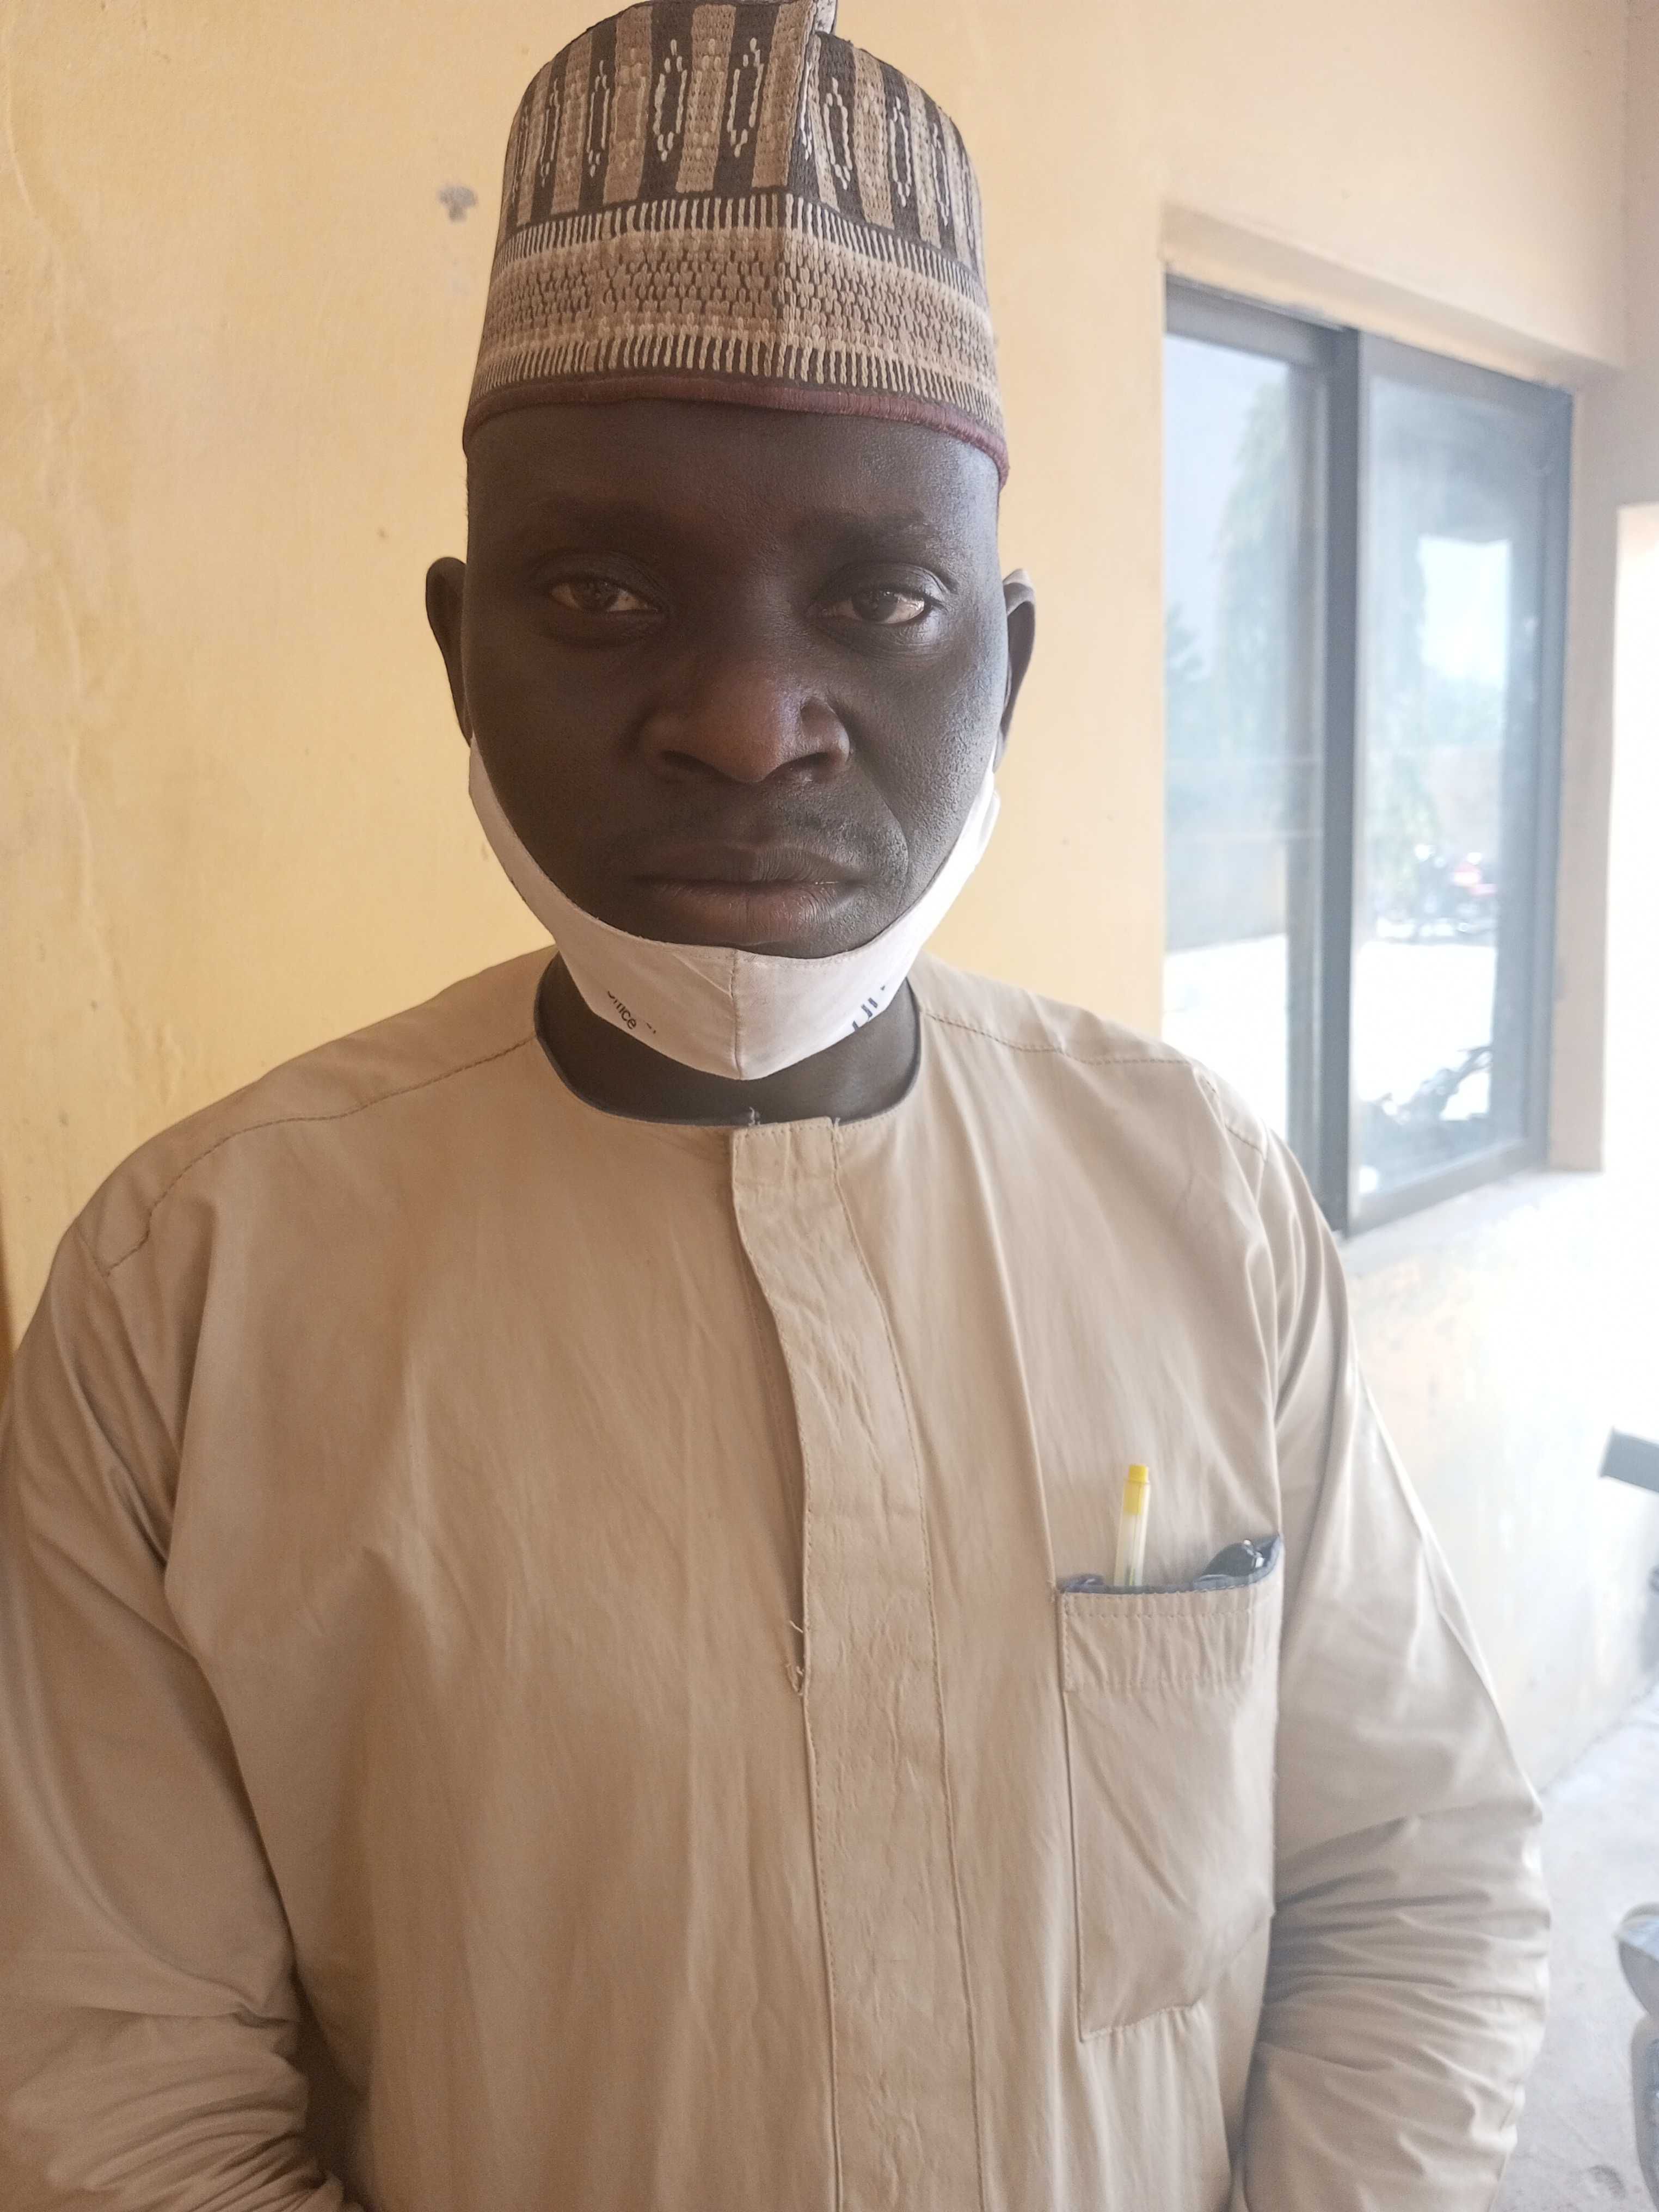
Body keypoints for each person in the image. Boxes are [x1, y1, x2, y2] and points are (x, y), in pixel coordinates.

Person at [0, 4, 1547, 2207]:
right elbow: (119, 2094)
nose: (745, 721)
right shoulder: (187, 1299)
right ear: (459, 647)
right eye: (602, 592)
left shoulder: (1199, 1199)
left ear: (1008, 661)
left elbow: (1419, 1886)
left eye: (880, 596)